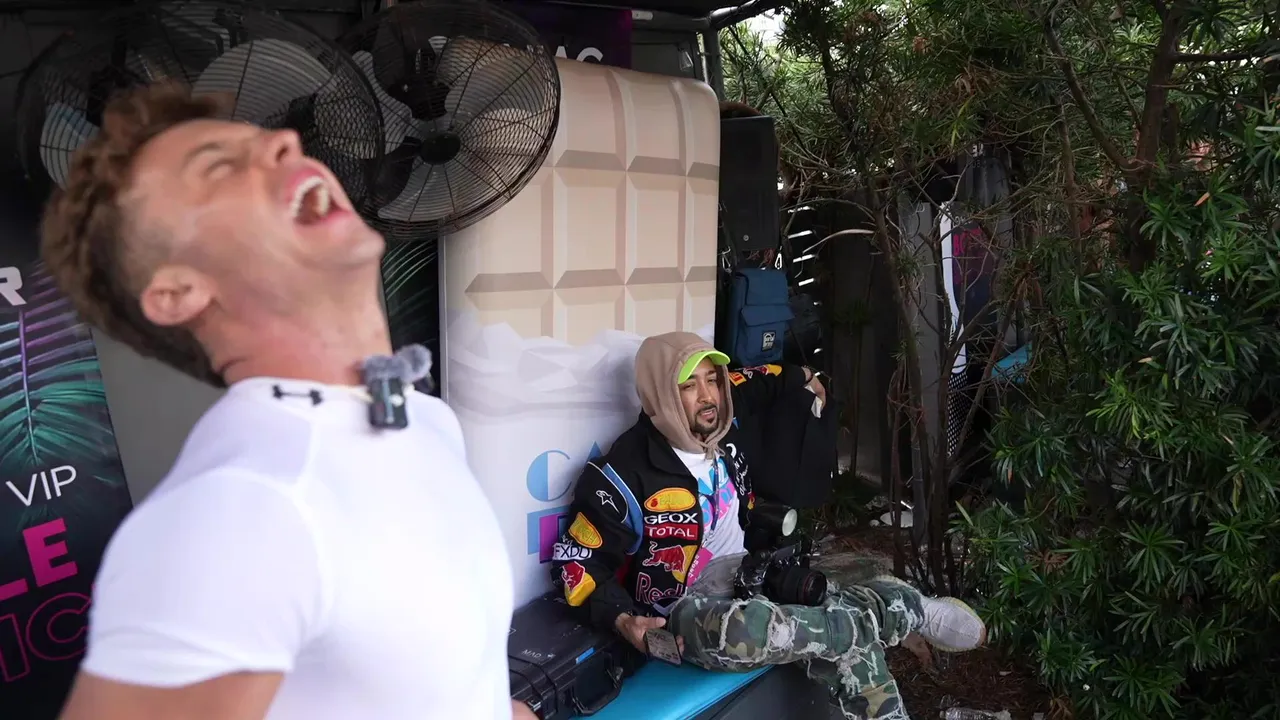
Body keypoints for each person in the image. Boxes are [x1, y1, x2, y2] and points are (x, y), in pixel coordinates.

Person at [40, 84, 532, 720]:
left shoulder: (425, 420)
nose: (285, 139)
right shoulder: (236, 508)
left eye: (268, 139)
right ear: (178, 292)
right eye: (219, 166)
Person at [549, 331, 986, 719]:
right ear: (659, 394)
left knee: (828, 614)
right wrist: (624, 620)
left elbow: (765, 378)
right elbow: (575, 563)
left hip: (751, 574)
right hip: (683, 611)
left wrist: (806, 376)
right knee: (744, 632)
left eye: (712, 380)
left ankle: (891, 629)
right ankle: (898, 608)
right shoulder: (619, 477)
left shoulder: (722, 421)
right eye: (689, 385)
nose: (708, 396)